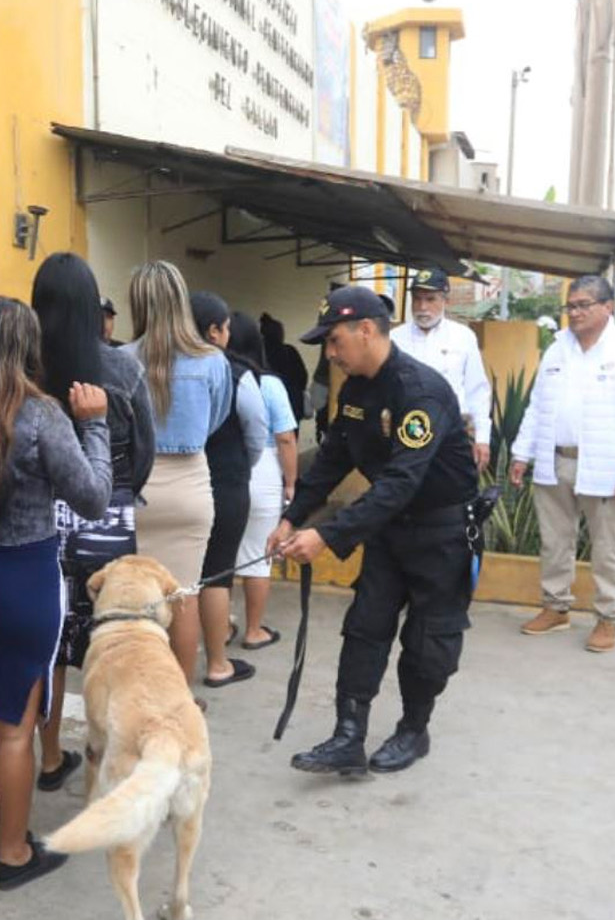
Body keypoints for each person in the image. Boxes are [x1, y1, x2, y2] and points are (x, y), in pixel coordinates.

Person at [0, 297, 111, 889]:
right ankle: (14, 853)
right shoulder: (41, 415)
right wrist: (96, 424)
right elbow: (93, 497)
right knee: (14, 723)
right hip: (24, 579)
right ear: (27, 348)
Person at [270, 286, 479, 776]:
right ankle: (348, 736)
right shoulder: (357, 390)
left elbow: (401, 481)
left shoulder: (420, 391)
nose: (330, 353)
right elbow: (332, 460)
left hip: (441, 533)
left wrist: (327, 536)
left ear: (366, 330)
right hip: (389, 528)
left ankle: (413, 729)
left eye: (335, 340)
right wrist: (292, 516)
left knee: (428, 644)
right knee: (365, 627)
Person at [32, 253, 154, 793]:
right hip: (110, 521)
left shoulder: (26, 369)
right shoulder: (122, 369)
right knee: (116, 642)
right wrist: (121, 490)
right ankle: (114, 757)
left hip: (41, 528)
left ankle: (49, 757)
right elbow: (144, 451)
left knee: (51, 648)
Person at [510, 274, 615, 654]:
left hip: (607, 467)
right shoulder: (557, 349)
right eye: (571, 306)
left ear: (608, 307)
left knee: (608, 547)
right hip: (555, 460)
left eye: (584, 305)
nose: (575, 313)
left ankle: (609, 617)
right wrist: (521, 453)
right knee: (554, 541)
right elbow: (537, 406)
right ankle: (555, 607)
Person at [129, 260, 232, 678]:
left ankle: (142, 691)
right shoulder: (212, 360)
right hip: (190, 486)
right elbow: (216, 418)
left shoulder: (120, 359)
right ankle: (180, 695)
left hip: (139, 490)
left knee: (138, 603)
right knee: (184, 597)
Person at [190, 293, 268, 689]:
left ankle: (177, 665)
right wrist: (241, 466)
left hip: (179, 482)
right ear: (214, 332)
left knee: (183, 579)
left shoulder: (164, 366)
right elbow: (257, 432)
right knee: (217, 574)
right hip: (225, 481)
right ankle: (218, 664)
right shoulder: (236, 374)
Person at [230, 311, 299, 649]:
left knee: (220, 555)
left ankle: (221, 626)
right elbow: (285, 438)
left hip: (222, 470)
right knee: (258, 555)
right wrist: (291, 482)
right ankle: (254, 630)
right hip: (263, 469)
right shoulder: (269, 384)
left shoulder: (216, 376)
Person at [397, 268, 493, 471]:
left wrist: (482, 438)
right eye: (417, 299)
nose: (422, 307)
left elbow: (477, 391)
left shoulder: (463, 337)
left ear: (445, 301)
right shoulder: (395, 339)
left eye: (430, 299)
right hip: (407, 432)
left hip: (453, 433)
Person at [260, 311, 311, 422]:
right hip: (293, 403)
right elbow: (303, 376)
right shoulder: (290, 351)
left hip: (267, 406)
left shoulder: (260, 354)